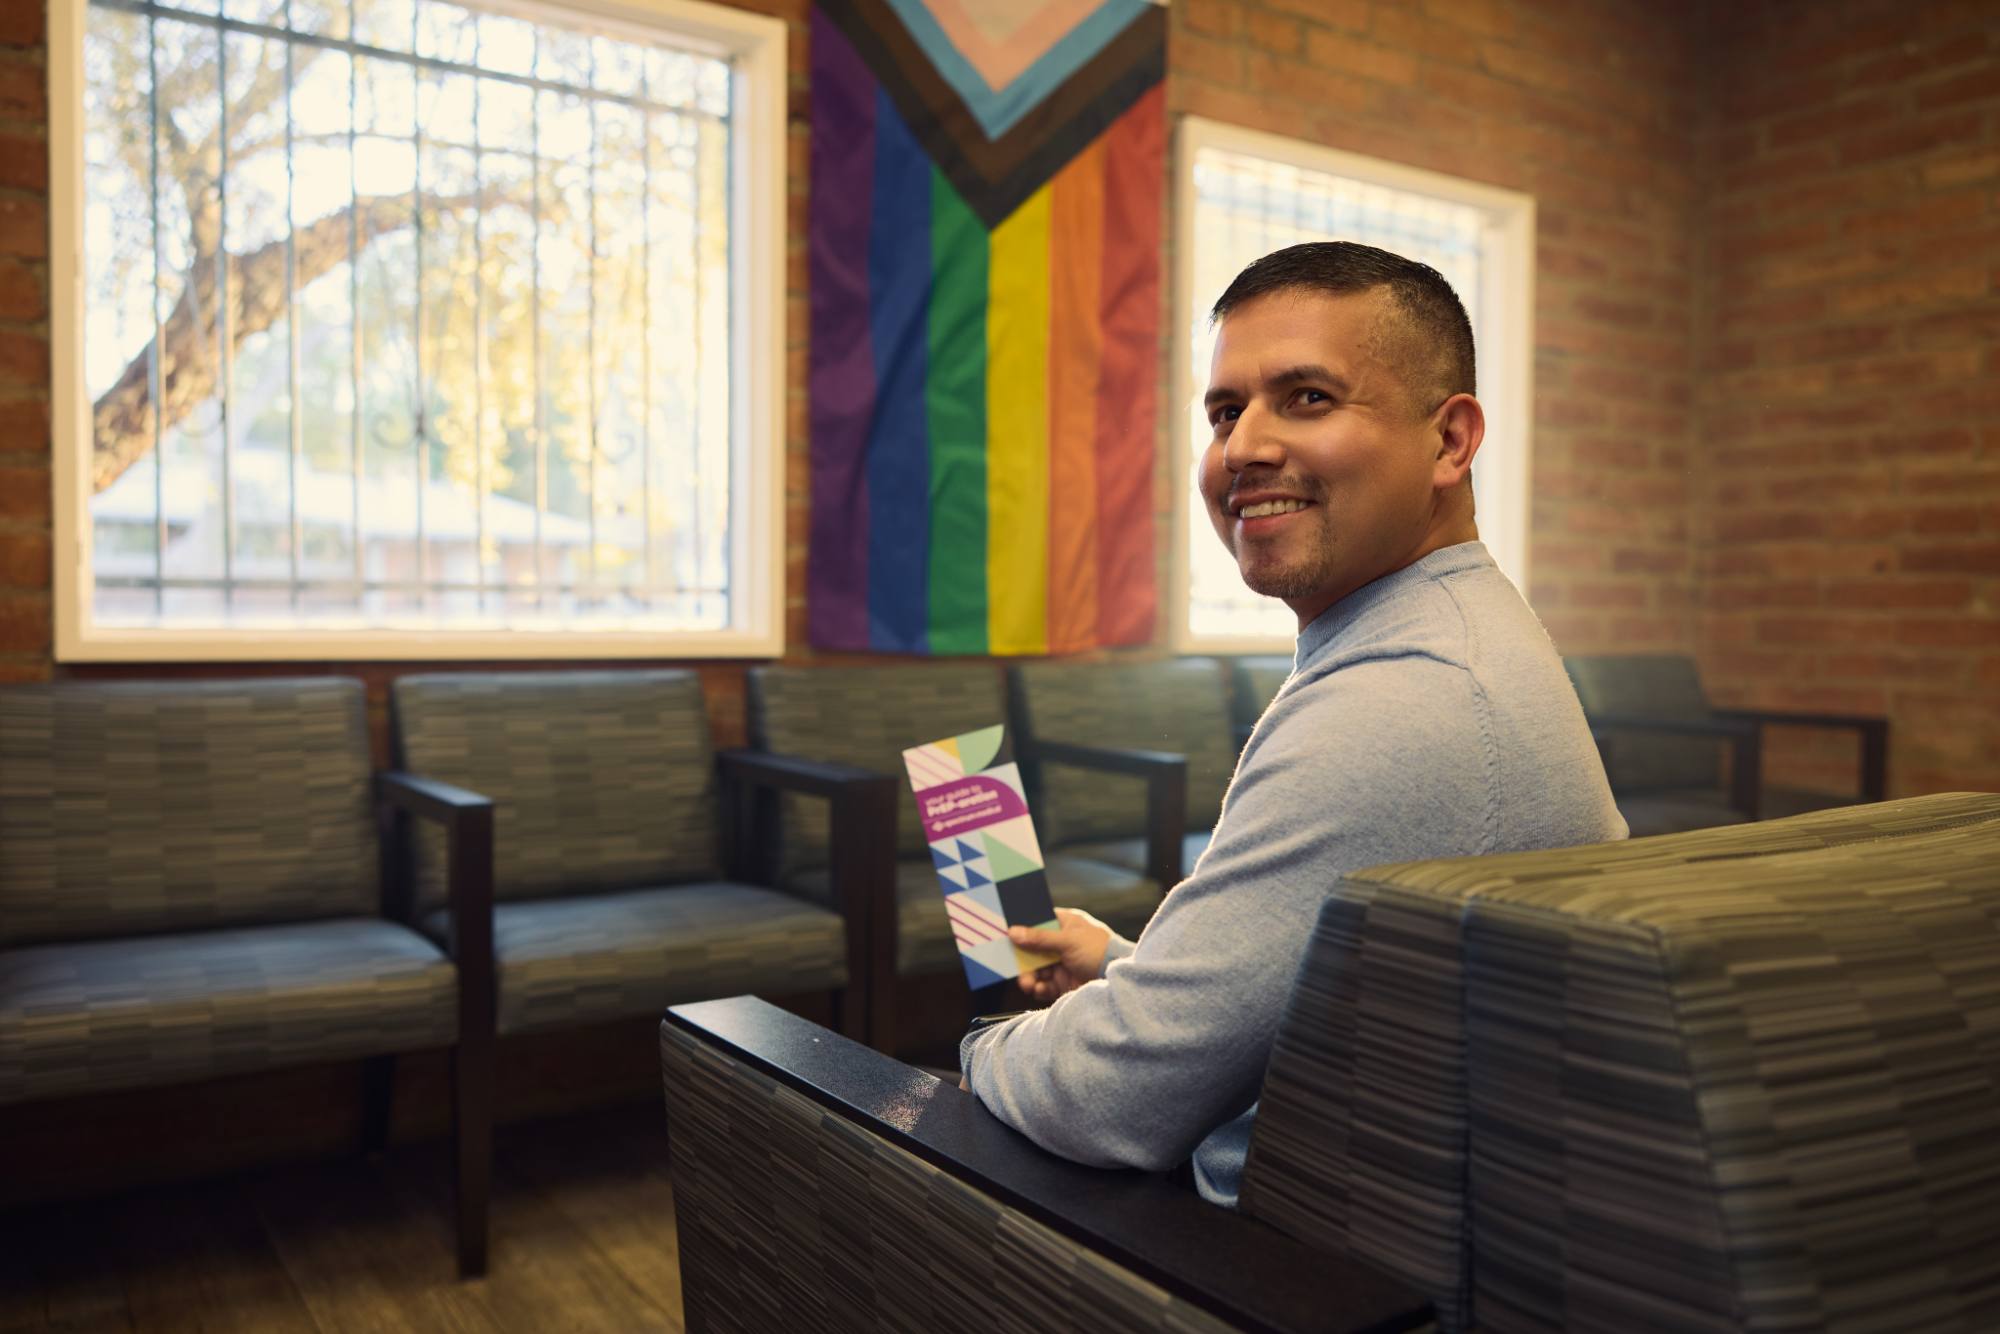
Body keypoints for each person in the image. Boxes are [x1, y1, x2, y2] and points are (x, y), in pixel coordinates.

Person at [957, 241, 1627, 1207]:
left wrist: (986, 1046)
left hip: (1285, 1265)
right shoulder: (1449, 632)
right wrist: (1123, 967)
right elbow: (1338, 1003)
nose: (1244, 449)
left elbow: (1113, 1100)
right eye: (1226, 411)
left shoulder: (1401, 701)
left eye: (1307, 397)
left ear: (1451, 442)